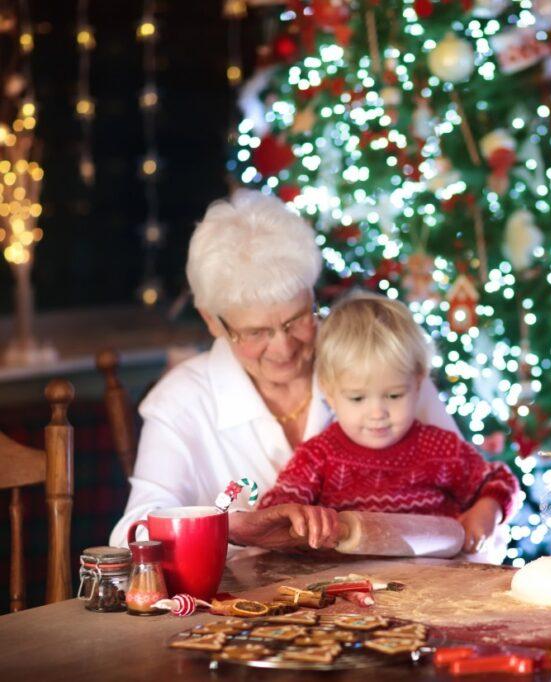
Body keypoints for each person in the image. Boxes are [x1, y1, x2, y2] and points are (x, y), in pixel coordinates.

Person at [109, 190, 461, 551]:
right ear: (212, 322)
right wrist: (230, 527)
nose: (283, 347)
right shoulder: (182, 400)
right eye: (256, 332)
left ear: (312, 297)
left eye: (296, 320)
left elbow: (472, 508)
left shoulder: (378, 358)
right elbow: (130, 538)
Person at [259, 292, 520, 557]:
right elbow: (275, 511)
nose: (377, 413)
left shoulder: (440, 448)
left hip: (438, 585)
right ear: (329, 393)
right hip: (346, 589)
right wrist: (303, 521)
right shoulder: (318, 456)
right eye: (357, 398)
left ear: (418, 383)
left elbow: (499, 480)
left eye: (394, 395)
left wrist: (487, 511)